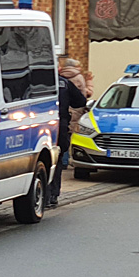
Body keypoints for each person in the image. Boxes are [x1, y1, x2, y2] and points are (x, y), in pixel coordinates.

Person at [50, 73, 88, 208]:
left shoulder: (33, 80)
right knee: (56, 158)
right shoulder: (64, 83)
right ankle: (52, 195)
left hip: (35, 124)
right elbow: (80, 102)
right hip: (59, 124)